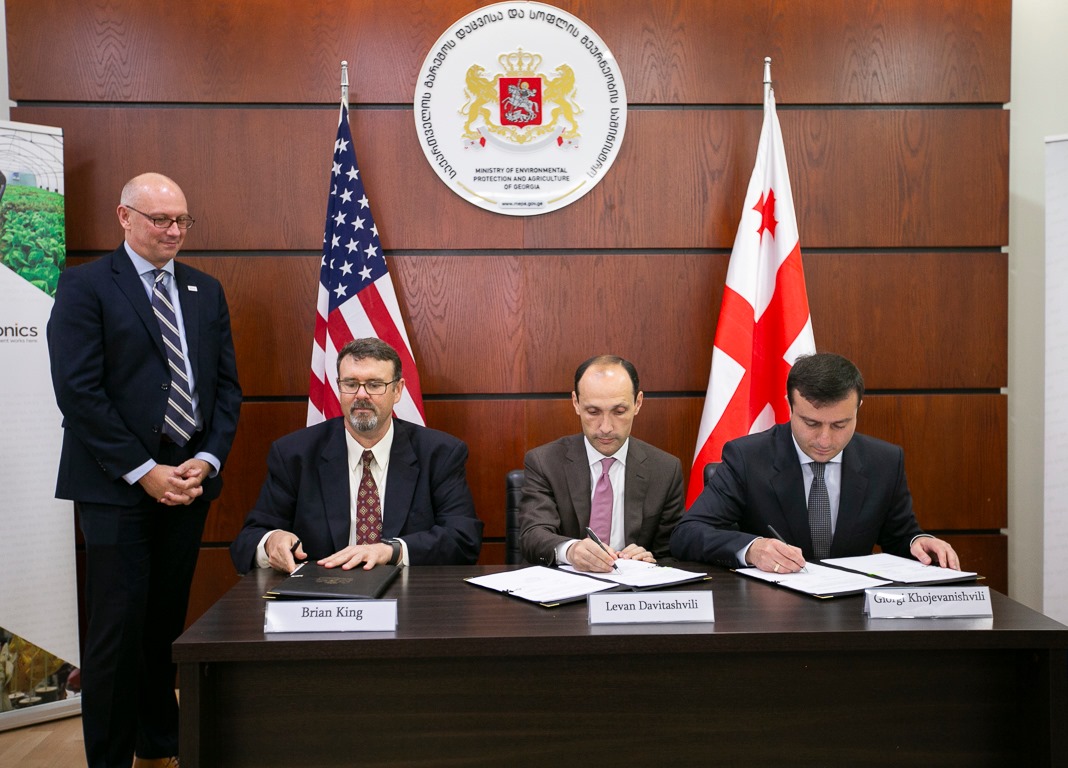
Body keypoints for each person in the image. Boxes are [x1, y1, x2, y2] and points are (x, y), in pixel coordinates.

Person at [47, 173, 241, 768]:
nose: (174, 231)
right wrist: (143, 470)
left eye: (182, 219)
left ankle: (158, 745)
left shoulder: (205, 289)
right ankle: (108, 759)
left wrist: (205, 460)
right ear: (124, 217)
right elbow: (78, 394)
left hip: (188, 487)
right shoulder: (84, 287)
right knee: (116, 632)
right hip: (115, 486)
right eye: (161, 220)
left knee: (165, 625)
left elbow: (225, 390)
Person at [670, 352, 960, 573]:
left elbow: (900, 536)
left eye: (840, 425)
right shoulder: (747, 457)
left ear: (858, 408)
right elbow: (687, 534)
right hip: (773, 609)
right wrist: (751, 549)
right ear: (790, 405)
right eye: (811, 423)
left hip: (853, 609)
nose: (824, 439)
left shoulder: (884, 461)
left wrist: (918, 543)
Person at [230, 337, 483, 574]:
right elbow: (247, 541)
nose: (361, 395)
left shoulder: (439, 454)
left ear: (397, 391)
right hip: (322, 595)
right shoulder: (295, 454)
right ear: (339, 387)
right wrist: (271, 541)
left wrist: (391, 551)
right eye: (351, 384)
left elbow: (463, 539)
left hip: (408, 596)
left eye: (374, 385)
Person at [519, 355, 684, 572]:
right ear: (576, 403)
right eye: (593, 412)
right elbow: (533, 535)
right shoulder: (545, 462)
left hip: (632, 589)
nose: (606, 427)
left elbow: (672, 554)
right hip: (567, 586)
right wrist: (571, 551)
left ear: (638, 403)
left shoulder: (665, 469)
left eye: (619, 411)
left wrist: (650, 562)